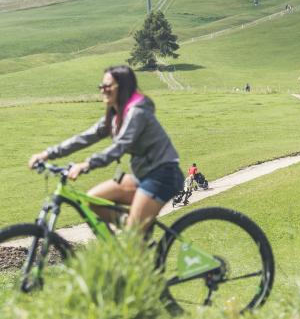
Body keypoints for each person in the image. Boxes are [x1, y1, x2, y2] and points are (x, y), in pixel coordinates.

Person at [28, 65, 184, 231]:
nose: (103, 90)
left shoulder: (137, 112)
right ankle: (136, 231)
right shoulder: (116, 114)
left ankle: (134, 237)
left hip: (163, 176)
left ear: (123, 87)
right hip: (142, 175)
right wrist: (47, 154)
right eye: (101, 86)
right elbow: (85, 137)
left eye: (108, 86)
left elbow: (121, 146)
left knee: (132, 237)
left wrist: (87, 164)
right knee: (93, 199)